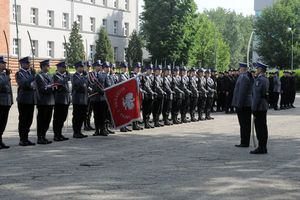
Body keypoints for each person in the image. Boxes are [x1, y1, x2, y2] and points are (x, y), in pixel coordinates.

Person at [16, 56, 36, 146]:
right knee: (23, 120)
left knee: (29, 120)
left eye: (29, 63)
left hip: (31, 99)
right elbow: (23, 84)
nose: (29, 65)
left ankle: (26, 138)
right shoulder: (19, 73)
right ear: (22, 64)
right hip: (23, 100)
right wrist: (32, 76)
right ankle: (22, 139)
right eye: (27, 63)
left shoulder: (29, 73)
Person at [232, 62, 253, 148]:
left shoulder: (243, 77)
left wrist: (239, 105)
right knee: (245, 124)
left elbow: (242, 92)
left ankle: (244, 142)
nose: (239, 70)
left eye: (239, 68)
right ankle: (245, 141)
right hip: (246, 104)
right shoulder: (246, 76)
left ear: (242, 69)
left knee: (244, 124)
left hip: (244, 104)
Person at [251, 62, 269, 154]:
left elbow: (257, 96)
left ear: (260, 69)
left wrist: (254, 108)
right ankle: (263, 146)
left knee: (260, 128)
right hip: (263, 105)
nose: (256, 70)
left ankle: (261, 147)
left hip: (259, 107)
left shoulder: (260, 80)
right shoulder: (264, 79)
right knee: (263, 127)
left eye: (257, 68)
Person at [35, 59, 55, 144]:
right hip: (43, 101)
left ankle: (44, 135)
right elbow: (43, 88)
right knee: (41, 120)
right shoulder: (39, 76)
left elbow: (51, 85)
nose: (49, 67)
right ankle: (40, 137)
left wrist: (54, 87)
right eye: (47, 66)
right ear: (43, 66)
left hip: (50, 101)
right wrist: (51, 87)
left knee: (47, 120)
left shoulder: (50, 76)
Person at [52, 61, 70, 141]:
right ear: (59, 68)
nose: (65, 69)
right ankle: (56, 134)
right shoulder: (56, 76)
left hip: (66, 100)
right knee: (57, 118)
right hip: (59, 100)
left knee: (63, 118)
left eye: (65, 67)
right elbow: (59, 85)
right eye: (63, 67)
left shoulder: (65, 76)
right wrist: (66, 78)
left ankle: (60, 133)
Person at [72, 61, 89, 139]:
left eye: (82, 67)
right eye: (80, 67)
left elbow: (86, 85)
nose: (82, 68)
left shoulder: (84, 76)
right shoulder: (74, 76)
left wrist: (84, 80)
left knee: (82, 116)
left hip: (84, 99)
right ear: (77, 68)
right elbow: (78, 85)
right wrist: (84, 80)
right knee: (76, 116)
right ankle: (76, 132)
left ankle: (79, 131)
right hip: (77, 100)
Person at [0, 56, 13, 149]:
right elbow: (1, 84)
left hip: (6, 102)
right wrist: (7, 76)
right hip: (0, 102)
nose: (5, 65)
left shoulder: (4, 75)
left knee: (3, 122)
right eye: (3, 63)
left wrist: (11, 100)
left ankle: (0, 140)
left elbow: (10, 89)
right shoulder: (4, 75)